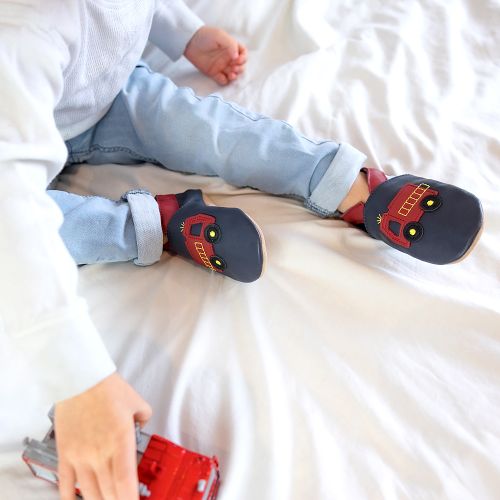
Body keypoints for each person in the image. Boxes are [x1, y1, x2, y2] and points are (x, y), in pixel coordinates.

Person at [0, 1, 483, 499]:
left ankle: (349, 186)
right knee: (32, 235)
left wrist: (183, 34)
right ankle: (153, 224)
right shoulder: (23, 30)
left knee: (203, 127)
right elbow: (12, 216)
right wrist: (81, 382)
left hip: (100, 97)